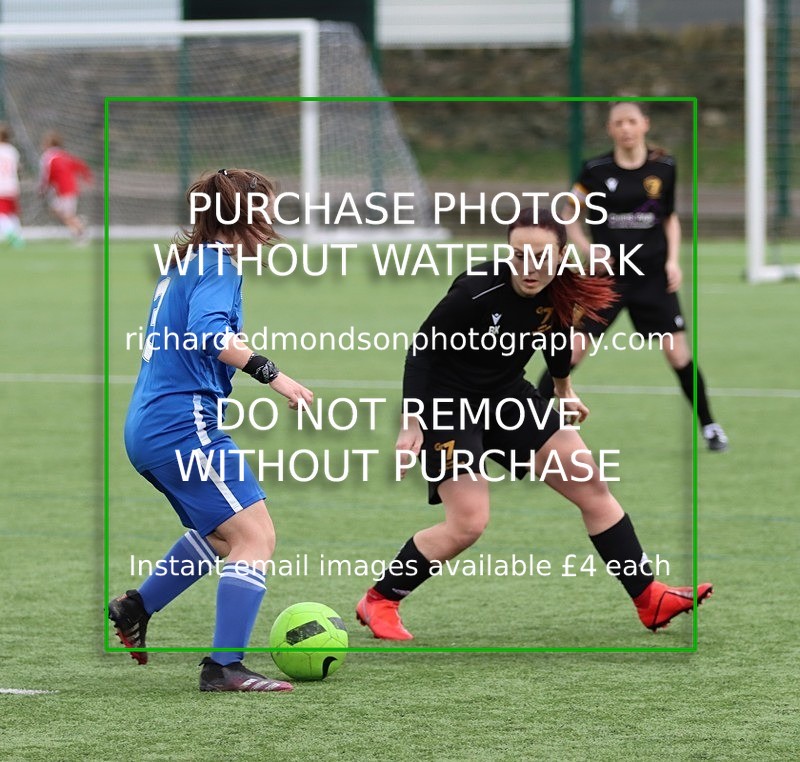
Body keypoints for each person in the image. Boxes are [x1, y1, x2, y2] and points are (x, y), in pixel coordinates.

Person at [356, 208, 712, 641]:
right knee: (468, 523)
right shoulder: (476, 288)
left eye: (542, 256)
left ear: (562, 255)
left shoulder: (561, 288)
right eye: (519, 255)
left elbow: (557, 339)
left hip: (508, 395)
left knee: (590, 483)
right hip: (448, 404)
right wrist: (413, 420)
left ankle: (648, 598)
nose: (529, 268)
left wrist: (563, 389)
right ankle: (381, 600)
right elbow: (422, 350)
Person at [109, 168, 314, 692]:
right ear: (242, 217)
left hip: (150, 425)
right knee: (255, 537)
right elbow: (208, 334)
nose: (271, 223)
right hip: (182, 424)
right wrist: (275, 376)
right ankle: (224, 667)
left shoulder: (185, 263)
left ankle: (136, 606)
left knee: (223, 536)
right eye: (265, 211)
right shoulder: (217, 266)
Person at [537, 101, 728, 451]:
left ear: (645, 125)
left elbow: (669, 218)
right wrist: (587, 248)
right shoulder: (594, 169)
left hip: (652, 278)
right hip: (607, 279)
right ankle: (524, 424)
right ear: (610, 130)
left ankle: (710, 426)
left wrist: (673, 261)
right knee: (570, 352)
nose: (625, 128)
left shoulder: (664, 167)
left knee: (678, 355)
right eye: (618, 123)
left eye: (631, 121)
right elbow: (567, 216)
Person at [39, 130, 93, 240]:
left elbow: (47, 175)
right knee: (57, 211)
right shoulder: (65, 155)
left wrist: (43, 189)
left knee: (67, 215)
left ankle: (81, 232)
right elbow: (80, 165)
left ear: (50, 143)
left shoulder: (48, 157)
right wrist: (87, 177)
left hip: (63, 190)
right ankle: (78, 225)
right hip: (69, 189)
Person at [0, 124, 23, 247]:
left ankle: (13, 237)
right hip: (12, 186)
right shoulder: (12, 150)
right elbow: (18, 168)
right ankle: (19, 237)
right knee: (11, 214)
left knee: (1, 215)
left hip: (1, 187)